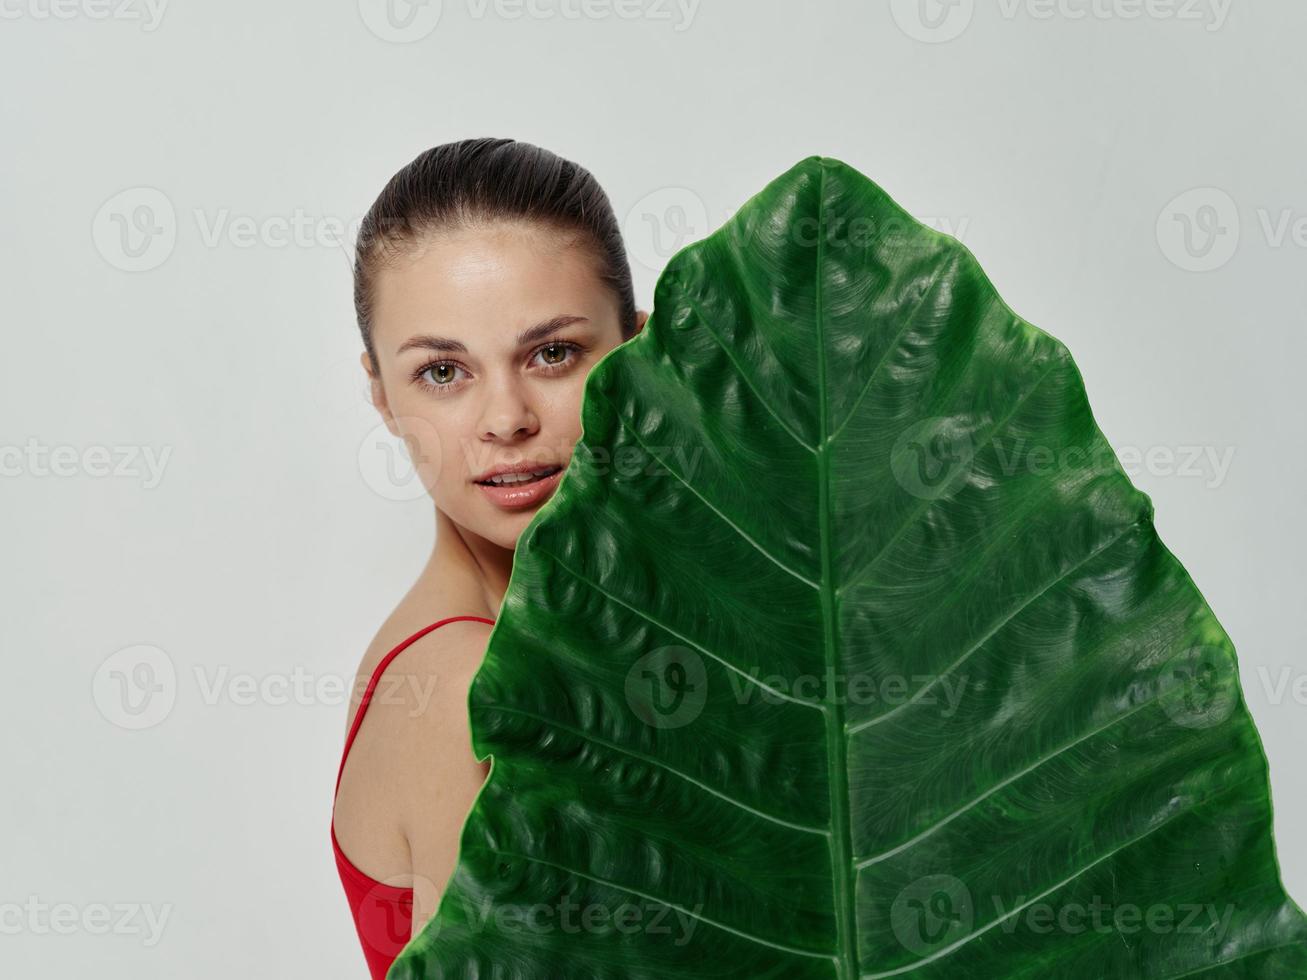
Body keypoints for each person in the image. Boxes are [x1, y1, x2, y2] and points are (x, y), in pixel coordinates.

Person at [329, 137, 648, 978]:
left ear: (639, 354)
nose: (505, 418)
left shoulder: (532, 639)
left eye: (552, 354)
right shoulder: (471, 684)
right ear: (382, 397)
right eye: (442, 372)